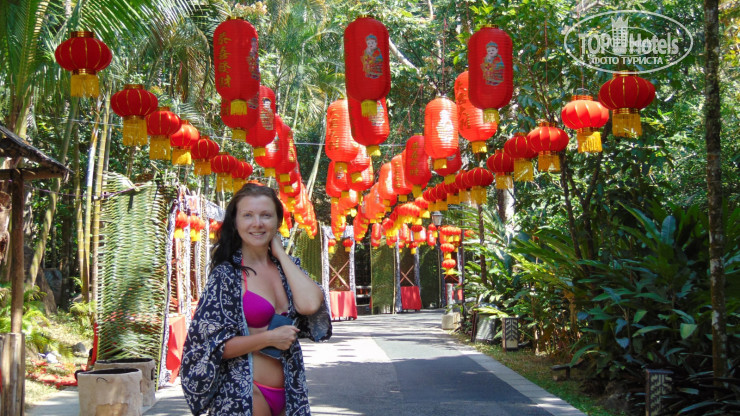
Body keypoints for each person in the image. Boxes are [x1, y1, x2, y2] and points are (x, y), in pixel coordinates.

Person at [181, 183, 328, 415]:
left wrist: (281, 254)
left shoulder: (287, 268)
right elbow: (210, 346)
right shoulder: (227, 275)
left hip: (291, 391)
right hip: (244, 391)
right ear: (235, 222)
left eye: (266, 215)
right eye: (247, 215)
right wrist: (268, 338)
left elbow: (310, 304)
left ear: (277, 222)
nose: (257, 223)